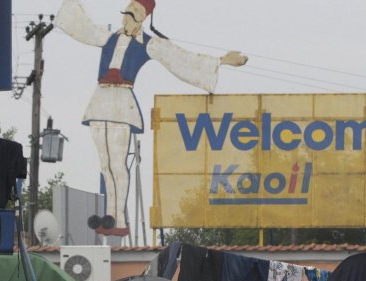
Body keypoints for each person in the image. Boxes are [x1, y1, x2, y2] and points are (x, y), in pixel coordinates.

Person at [56, 0, 247, 234]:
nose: (127, 18)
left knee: (117, 162)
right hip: (101, 100)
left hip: (122, 101)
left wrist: (220, 61)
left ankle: (119, 219)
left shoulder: (148, 44)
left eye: (133, 15)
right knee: (105, 164)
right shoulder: (108, 37)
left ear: (143, 19)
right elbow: (82, 27)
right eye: (125, 14)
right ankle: (110, 214)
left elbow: (179, 58)